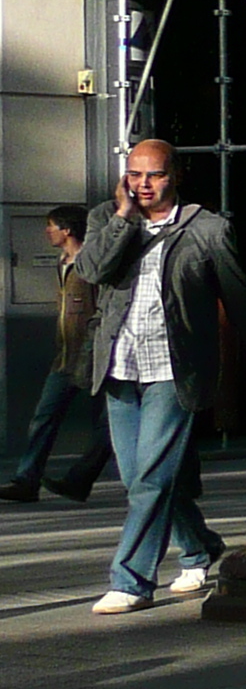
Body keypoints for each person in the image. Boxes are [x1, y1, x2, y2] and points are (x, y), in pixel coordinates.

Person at [77, 141, 246, 613]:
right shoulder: (105, 219)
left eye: (154, 175)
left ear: (175, 176)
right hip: (119, 366)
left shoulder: (206, 229)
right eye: (134, 175)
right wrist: (124, 219)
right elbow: (91, 270)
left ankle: (130, 581)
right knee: (140, 481)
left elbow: (238, 296)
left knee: (152, 478)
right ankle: (199, 547)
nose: (143, 184)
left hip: (175, 368)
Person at [3, 204, 111, 503]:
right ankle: (26, 480)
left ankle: (80, 479)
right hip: (65, 357)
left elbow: (102, 308)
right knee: (44, 417)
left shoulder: (92, 263)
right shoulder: (62, 261)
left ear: (67, 230)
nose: (46, 231)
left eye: (51, 226)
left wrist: (96, 346)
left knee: (110, 423)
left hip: (95, 356)